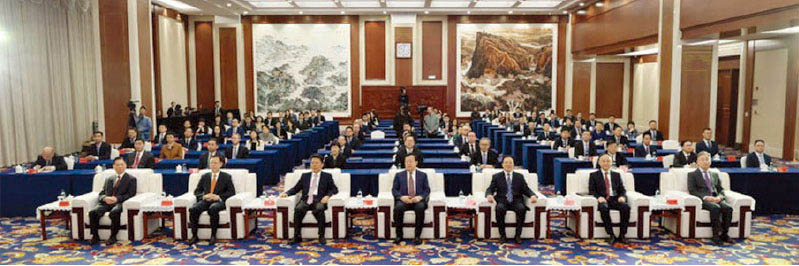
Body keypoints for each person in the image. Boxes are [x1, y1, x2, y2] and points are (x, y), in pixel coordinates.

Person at [281, 155, 338, 245]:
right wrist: (287, 193)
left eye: (316, 163)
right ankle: (297, 236)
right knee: (298, 209)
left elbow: (334, 189)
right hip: (306, 199)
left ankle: (321, 236)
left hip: (319, 199)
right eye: (312, 163)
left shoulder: (327, 176)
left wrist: (327, 196)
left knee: (319, 209)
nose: (314, 165)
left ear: (322, 165)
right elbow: (296, 188)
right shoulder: (305, 176)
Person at [485, 156, 537, 243]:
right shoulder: (496, 176)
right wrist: (489, 195)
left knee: (521, 209)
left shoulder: (519, 176)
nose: (508, 164)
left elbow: (526, 189)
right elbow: (490, 188)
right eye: (506, 162)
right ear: (502, 165)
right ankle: (502, 235)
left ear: (513, 165)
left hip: (516, 200)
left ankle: (518, 235)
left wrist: (532, 195)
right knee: (499, 209)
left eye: (510, 163)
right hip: (502, 200)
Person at [188, 156, 235, 245]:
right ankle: (194, 235)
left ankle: (213, 235)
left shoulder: (226, 177)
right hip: (206, 200)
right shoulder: (205, 176)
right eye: (211, 163)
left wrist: (218, 196)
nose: (213, 165)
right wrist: (204, 196)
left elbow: (231, 192)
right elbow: (197, 191)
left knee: (213, 209)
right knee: (193, 209)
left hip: (219, 201)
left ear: (221, 164)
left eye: (215, 163)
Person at [89, 157, 137, 245]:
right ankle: (95, 236)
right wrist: (104, 198)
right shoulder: (109, 179)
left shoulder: (131, 179)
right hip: (106, 202)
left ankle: (113, 236)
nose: (120, 167)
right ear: (114, 166)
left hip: (120, 202)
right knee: (93, 212)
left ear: (125, 166)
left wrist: (117, 198)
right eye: (117, 165)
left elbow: (131, 194)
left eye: (122, 165)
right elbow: (102, 192)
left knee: (114, 213)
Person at [690, 152, 733, 245]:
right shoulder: (692, 174)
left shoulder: (715, 174)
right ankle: (715, 235)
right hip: (704, 200)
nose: (705, 162)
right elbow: (692, 190)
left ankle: (725, 234)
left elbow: (721, 189)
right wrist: (705, 197)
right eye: (702, 160)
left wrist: (720, 197)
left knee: (728, 208)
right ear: (697, 162)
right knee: (715, 208)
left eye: (707, 159)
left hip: (716, 197)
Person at [589, 154, 630, 245]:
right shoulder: (594, 175)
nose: (606, 163)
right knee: (604, 208)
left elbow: (622, 189)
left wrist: (622, 197)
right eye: (603, 161)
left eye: (608, 161)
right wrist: (598, 197)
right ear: (599, 163)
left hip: (615, 199)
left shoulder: (616, 175)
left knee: (626, 207)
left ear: (611, 163)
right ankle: (611, 234)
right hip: (603, 199)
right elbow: (591, 190)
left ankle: (622, 234)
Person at [391, 154, 429, 245]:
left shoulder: (423, 175)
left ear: (416, 162)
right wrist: (401, 197)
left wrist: (420, 197)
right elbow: (394, 190)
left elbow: (427, 190)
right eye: (406, 162)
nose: (409, 164)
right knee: (398, 208)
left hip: (417, 200)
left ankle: (417, 236)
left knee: (420, 208)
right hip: (404, 200)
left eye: (411, 161)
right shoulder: (399, 175)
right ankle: (399, 236)